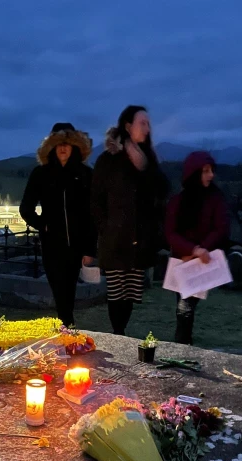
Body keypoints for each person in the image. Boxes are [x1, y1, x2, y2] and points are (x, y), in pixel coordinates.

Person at [91, 106, 168, 335]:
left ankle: (121, 332)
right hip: (115, 240)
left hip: (140, 239)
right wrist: (106, 227)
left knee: (131, 293)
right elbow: (96, 199)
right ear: (128, 126)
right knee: (116, 292)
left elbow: (163, 190)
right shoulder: (108, 160)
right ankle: (118, 334)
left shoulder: (148, 159)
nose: (147, 127)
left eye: (148, 123)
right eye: (142, 123)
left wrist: (145, 167)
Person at [20, 123, 96, 326]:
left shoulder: (85, 174)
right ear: (52, 146)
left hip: (77, 244)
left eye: (67, 144)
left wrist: (90, 248)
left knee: (69, 289)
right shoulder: (41, 173)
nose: (63, 148)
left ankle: (66, 326)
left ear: (75, 146)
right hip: (52, 244)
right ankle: (66, 326)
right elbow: (25, 208)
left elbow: (93, 214)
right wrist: (43, 225)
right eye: (59, 143)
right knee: (58, 289)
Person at [165, 151, 230, 344]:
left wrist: (202, 249)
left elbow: (221, 227)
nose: (211, 175)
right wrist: (191, 250)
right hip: (182, 262)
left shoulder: (215, 198)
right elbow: (170, 232)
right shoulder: (179, 201)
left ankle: (183, 343)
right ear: (194, 174)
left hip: (203, 262)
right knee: (183, 309)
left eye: (211, 170)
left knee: (186, 309)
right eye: (206, 171)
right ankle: (183, 344)